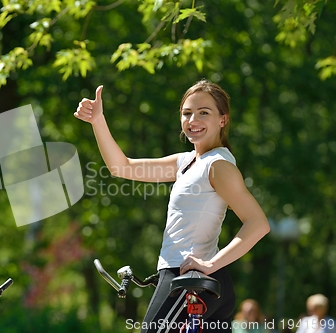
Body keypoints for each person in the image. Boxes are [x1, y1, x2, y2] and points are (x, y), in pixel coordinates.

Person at [74, 80, 270, 333]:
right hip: (190, 280)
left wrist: (211, 265)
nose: (193, 119)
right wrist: (98, 121)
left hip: (191, 281)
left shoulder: (218, 165)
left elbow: (258, 223)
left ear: (223, 119)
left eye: (204, 112)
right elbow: (121, 167)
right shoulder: (186, 162)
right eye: (187, 113)